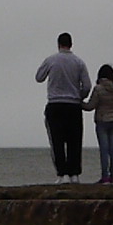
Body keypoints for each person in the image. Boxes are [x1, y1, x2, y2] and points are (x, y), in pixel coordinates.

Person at [35, 32, 91, 182]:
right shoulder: (79, 62)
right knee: (75, 140)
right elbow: (87, 85)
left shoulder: (51, 60)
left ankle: (62, 174)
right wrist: (79, 96)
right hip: (73, 105)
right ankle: (74, 174)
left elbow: (38, 77)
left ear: (58, 44)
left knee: (57, 140)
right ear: (71, 44)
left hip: (55, 104)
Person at [83, 63, 113, 184]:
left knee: (104, 150)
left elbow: (90, 106)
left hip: (102, 121)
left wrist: (79, 103)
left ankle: (104, 176)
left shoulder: (98, 88)